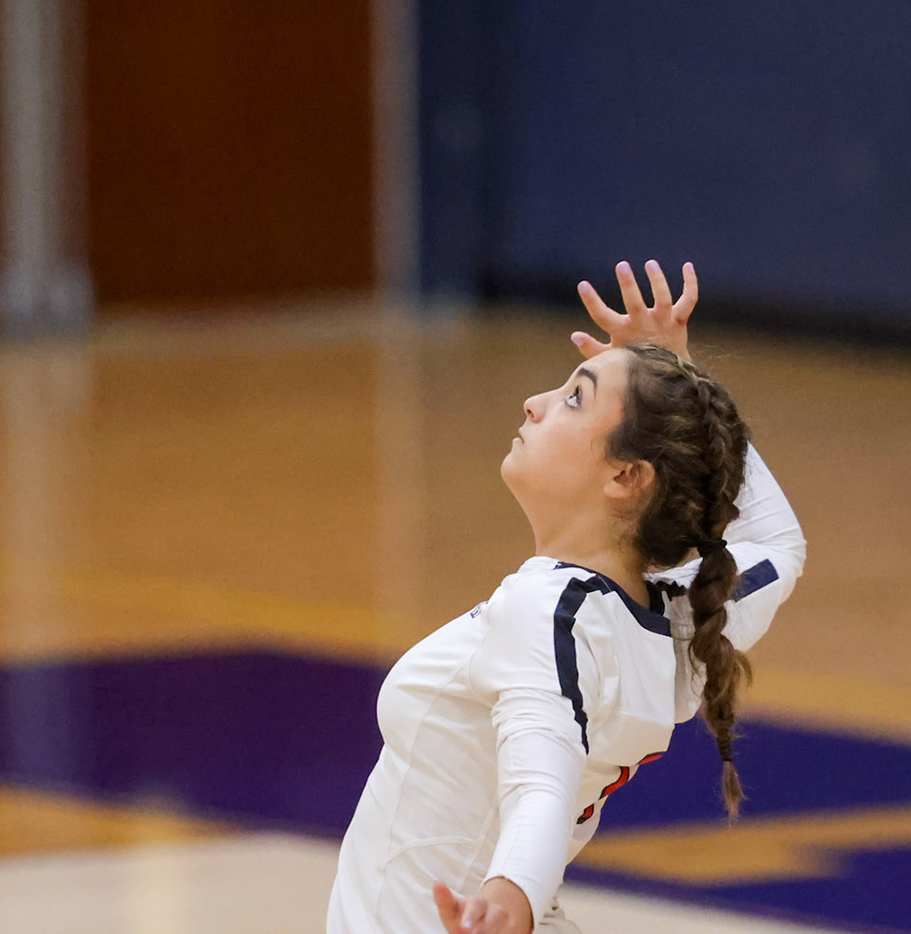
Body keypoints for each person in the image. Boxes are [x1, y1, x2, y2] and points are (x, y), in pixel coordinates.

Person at [326, 261, 807, 934]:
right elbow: (779, 548)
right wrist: (681, 378)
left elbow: (541, 783)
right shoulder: (677, 621)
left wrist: (510, 899)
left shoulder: (549, 612)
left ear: (626, 477)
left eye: (575, 398)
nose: (535, 401)